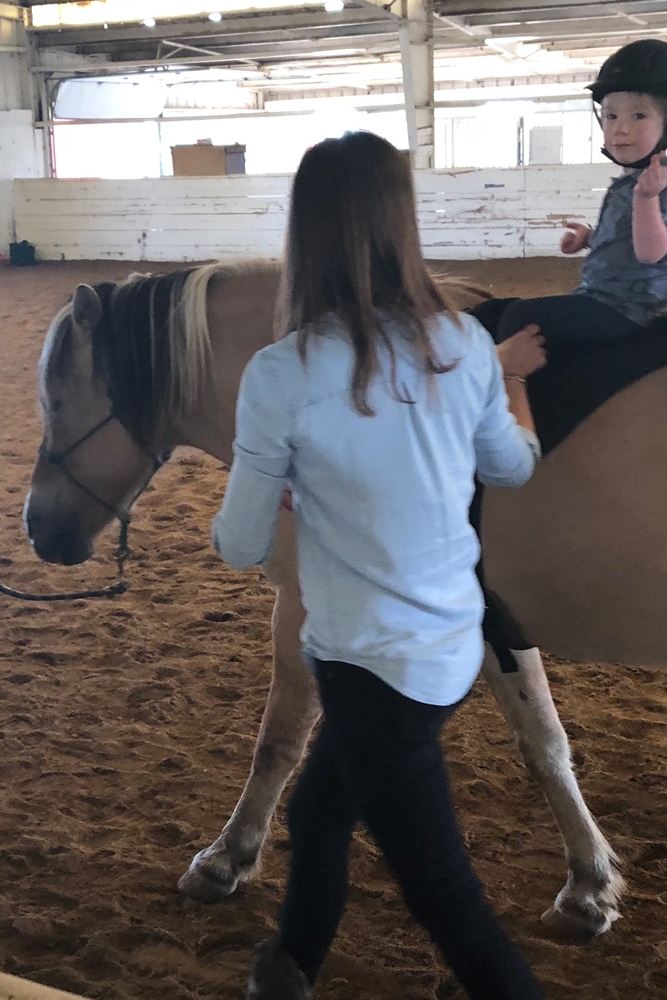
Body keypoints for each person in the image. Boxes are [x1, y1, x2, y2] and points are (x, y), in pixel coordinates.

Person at [211, 131, 548, 1000]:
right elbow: (511, 468)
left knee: (447, 900)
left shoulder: (281, 374)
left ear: (304, 233)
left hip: (369, 663)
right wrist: (511, 387)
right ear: (403, 222)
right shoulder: (465, 343)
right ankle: (288, 969)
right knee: (320, 811)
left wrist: (284, 475)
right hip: (449, 649)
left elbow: (241, 546)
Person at [479, 38, 667, 346]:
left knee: (520, 318)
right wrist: (591, 238)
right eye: (611, 116)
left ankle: (515, 387)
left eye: (638, 116)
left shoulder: (662, 185)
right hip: (599, 299)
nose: (620, 128)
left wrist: (646, 199)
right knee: (489, 314)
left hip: (630, 311)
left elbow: (651, 253)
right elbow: (627, 239)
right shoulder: (635, 180)